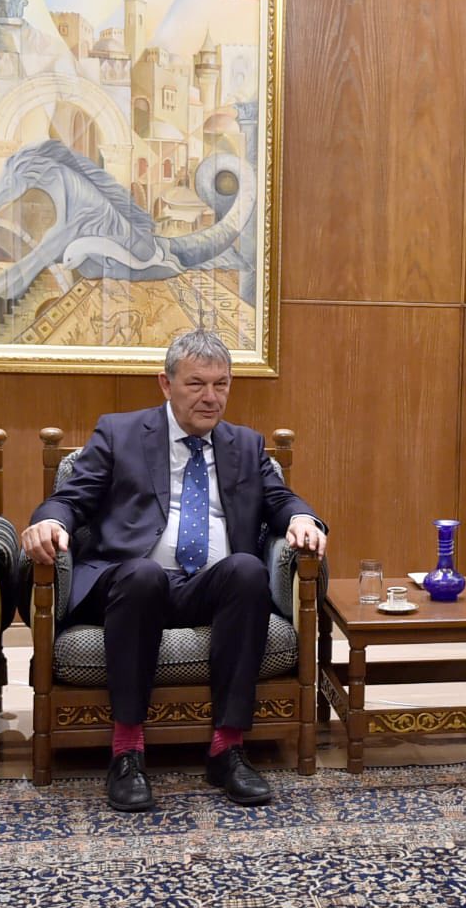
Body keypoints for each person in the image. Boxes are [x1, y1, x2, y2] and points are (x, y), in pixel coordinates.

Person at [21, 329, 327, 812]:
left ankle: (227, 749)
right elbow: (70, 499)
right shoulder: (119, 433)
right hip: (131, 585)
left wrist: (302, 519)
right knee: (143, 575)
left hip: (206, 586)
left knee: (247, 569)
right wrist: (51, 523)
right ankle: (127, 752)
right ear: (166, 384)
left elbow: (281, 499)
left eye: (221, 384)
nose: (211, 397)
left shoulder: (245, 445)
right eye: (196, 384)